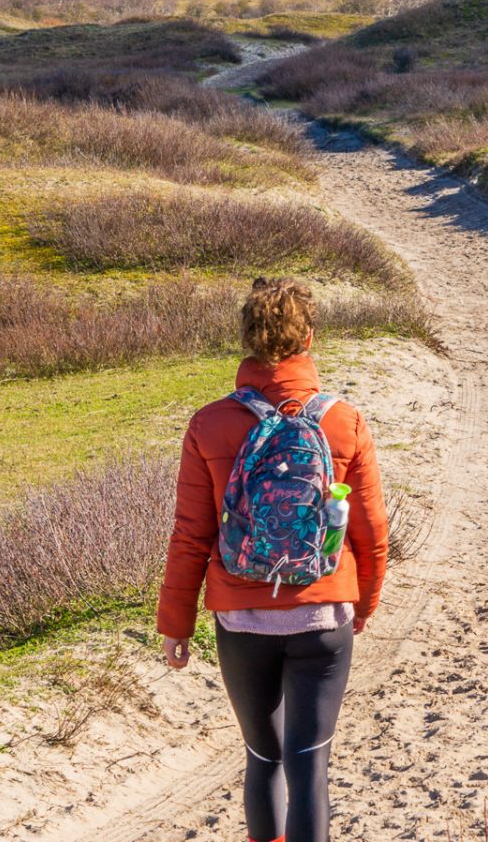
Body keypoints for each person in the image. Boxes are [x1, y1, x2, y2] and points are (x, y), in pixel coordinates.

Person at [159, 277, 389, 842]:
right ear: (309, 336)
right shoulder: (343, 421)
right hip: (323, 613)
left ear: (245, 339)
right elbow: (370, 527)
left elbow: (191, 534)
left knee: (264, 761)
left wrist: (175, 626)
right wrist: (365, 599)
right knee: (309, 764)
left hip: (241, 620)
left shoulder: (209, 423)